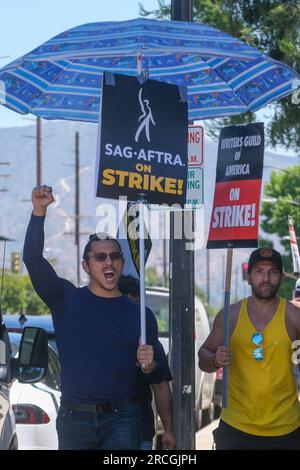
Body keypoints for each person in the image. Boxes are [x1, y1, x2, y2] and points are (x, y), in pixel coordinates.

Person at [23, 185, 166, 450]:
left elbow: (158, 376)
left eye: (114, 256)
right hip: (74, 418)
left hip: (123, 418)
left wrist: (147, 366)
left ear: (122, 263)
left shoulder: (140, 314)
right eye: (100, 257)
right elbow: (32, 259)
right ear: (86, 266)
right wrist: (39, 212)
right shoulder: (65, 299)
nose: (108, 262)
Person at [198, 247, 300, 450]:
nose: (265, 278)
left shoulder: (293, 316)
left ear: (281, 277)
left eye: (272, 272)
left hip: (286, 429)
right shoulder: (230, 315)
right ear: (249, 277)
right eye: (259, 271)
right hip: (236, 428)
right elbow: (203, 356)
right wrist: (215, 359)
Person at [118, 275, 176, 450]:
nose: (134, 312)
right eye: (128, 304)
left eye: (137, 304)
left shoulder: (145, 326)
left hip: (139, 427)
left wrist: (168, 430)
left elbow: (160, 384)